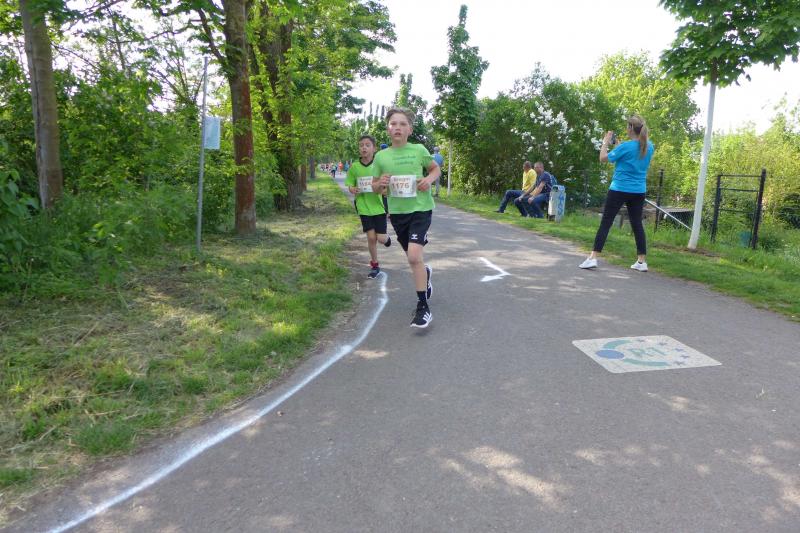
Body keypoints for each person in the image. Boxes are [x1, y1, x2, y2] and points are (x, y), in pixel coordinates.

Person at [373, 107, 441, 329]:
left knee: (413, 257)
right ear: (388, 128)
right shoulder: (381, 157)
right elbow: (374, 187)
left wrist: (428, 180)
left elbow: (435, 170)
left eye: (403, 124)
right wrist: (380, 184)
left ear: (410, 129)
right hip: (398, 213)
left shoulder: (418, 150)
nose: (398, 128)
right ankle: (425, 273)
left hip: (420, 209)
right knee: (414, 258)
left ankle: (423, 308)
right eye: (393, 124)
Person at [579, 115, 655, 272]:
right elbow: (632, 159)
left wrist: (605, 142)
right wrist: (619, 146)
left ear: (630, 128)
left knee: (606, 222)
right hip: (638, 191)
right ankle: (642, 262)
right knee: (637, 224)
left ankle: (593, 258)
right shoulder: (649, 146)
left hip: (619, 189)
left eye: (627, 126)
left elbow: (603, 158)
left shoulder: (625, 147)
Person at [346, 135, 392, 278]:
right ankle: (375, 265)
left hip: (378, 207)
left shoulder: (379, 166)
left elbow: (387, 187)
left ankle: (387, 239)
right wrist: (352, 189)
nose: (364, 148)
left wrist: (384, 190)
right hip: (363, 206)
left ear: (374, 148)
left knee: (381, 239)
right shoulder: (354, 167)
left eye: (367, 145)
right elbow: (350, 184)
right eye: (361, 145)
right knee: (371, 238)